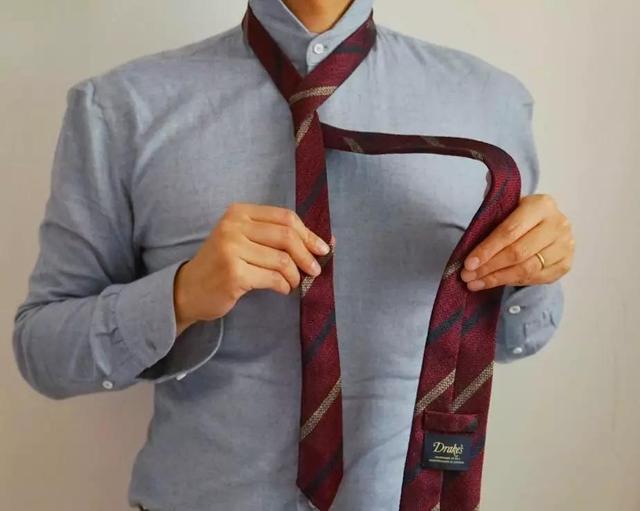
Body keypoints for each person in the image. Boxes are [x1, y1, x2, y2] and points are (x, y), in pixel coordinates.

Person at [12, 0, 574, 509]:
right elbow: (42, 351)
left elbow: (514, 338)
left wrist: (531, 275)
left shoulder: (489, 105)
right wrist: (180, 296)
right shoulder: (119, 110)